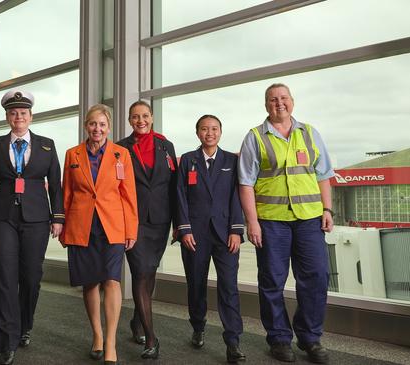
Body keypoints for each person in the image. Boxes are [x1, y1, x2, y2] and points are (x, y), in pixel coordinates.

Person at [238, 83, 334, 364]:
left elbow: (324, 174)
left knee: (316, 277)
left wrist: (327, 209)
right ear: (265, 105)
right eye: (272, 99)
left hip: (309, 219)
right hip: (271, 222)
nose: (278, 103)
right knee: (271, 281)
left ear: (292, 101)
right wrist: (252, 222)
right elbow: (245, 183)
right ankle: (279, 338)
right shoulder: (255, 137)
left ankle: (310, 337)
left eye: (283, 98)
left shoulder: (309, 133)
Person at [0, 90, 64, 365]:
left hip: (37, 218)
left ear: (31, 116)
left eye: (23, 113)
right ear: (7, 116)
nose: (18, 117)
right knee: (4, 278)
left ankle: (24, 325)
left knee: (31, 277)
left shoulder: (46, 145)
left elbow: (55, 184)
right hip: (1, 218)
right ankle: (6, 342)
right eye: (13, 113)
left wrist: (58, 217)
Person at [61, 104, 138, 365]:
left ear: (109, 127)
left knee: (111, 280)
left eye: (102, 124)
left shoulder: (121, 154)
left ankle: (111, 342)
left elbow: (129, 194)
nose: (97, 129)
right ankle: (97, 335)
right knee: (90, 282)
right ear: (86, 125)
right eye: (93, 124)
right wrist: (64, 229)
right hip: (82, 226)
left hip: (112, 226)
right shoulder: (72, 154)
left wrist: (131, 228)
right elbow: (67, 193)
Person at [175, 115, 246, 363]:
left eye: (214, 129)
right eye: (205, 129)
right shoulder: (187, 160)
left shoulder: (231, 161)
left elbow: (237, 196)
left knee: (229, 286)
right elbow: (180, 196)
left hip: (226, 235)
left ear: (221, 132)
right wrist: (184, 230)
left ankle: (233, 341)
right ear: (198, 133)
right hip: (194, 235)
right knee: (196, 284)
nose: (210, 133)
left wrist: (237, 229)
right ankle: (198, 326)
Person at [116, 100, 177, 359]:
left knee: (149, 273)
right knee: (141, 272)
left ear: (151, 117)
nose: (140, 120)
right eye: (135, 117)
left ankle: (136, 321)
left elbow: (174, 186)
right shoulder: (120, 147)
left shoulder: (166, 145)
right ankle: (151, 338)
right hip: (133, 220)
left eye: (144, 116)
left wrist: (178, 223)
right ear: (129, 120)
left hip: (160, 220)